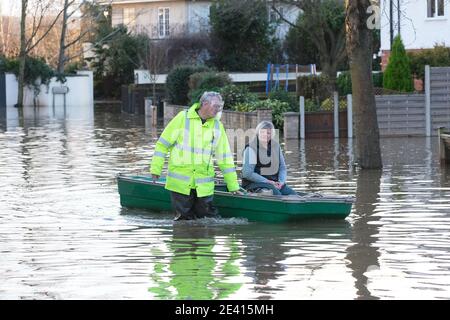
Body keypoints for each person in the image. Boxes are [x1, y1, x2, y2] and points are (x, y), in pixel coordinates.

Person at [150, 91, 240, 221]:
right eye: (216, 106)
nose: (219, 109)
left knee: (208, 221)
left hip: (204, 185)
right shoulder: (182, 118)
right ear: (204, 104)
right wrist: (155, 169)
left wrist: (233, 185)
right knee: (183, 222)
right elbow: (162, 145)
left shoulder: (217, 126)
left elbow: (225, 158)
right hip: (180, 184)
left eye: (220, 106)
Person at [241, 121, 297, 196]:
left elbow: (282, 168)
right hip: (254, 184)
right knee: (277, 196)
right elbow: (247, 173)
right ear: (258, 132)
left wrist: (281, 182)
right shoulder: (251, 148)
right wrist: (267, 181)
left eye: (268, 133)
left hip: (275, 183)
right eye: (263, 132)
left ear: (272, 134)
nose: (265, 135)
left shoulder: (276, 146)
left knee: (293, 196)